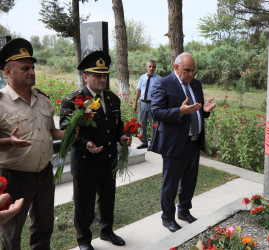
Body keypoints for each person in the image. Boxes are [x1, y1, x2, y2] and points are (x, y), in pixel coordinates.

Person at [60, 51, 131, 250]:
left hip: (108, 160)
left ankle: (107, 231)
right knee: (84, 204)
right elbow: (67, 131)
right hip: (85, 162)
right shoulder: (73, 101)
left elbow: (117, 125)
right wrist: (86, 144)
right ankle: (84, 240)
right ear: (85, 77)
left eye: (104, 75)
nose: (101, 79)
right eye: (96, 75)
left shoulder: (112, 99)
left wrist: (122, 136)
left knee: (108, 199)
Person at [0, 38, 64, 249]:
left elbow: (50, 131)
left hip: (44, 174)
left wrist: (67, 132)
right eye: (25, 68)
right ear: (8, 72)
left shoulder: (43, 99)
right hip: (14, 176)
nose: (32, 72)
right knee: (12, 229)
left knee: (44, 226)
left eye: (33, 67)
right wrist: (10, 141)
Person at [150, 52, 216, 233]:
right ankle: (167, 218)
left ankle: (184, 211)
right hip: (174, 143)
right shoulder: (162, 84)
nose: (190, 74)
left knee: (189, 180)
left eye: (193, 71)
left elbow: (196, 109)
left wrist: (206, 111)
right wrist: (179, 111)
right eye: (187, 70)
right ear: (176, 67)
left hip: (193, 141)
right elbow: (155, 112)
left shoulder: (196, 84)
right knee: (170, 183)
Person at [133, 60, 161, 150]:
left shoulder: (159, 79)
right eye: (150, 66)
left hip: (153, 104)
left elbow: (161, 93)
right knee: (142, 124)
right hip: (143, 103)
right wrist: (135, 103)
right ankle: (144, 142)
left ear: (155, 68)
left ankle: (153, 144)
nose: (151, 68)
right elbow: (138, 90)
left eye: (153, 66)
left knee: (153, 125)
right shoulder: (142, 77)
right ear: (146, 67)